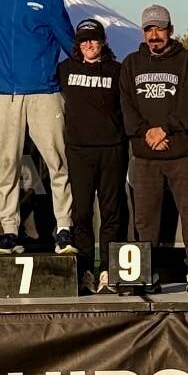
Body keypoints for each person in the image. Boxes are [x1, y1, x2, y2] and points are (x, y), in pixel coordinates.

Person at [0, 0, 75, 254]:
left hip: (44, 92)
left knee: (57, 161)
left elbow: (69, 44)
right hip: (5, 94)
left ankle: (64, 227)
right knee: (7, 164)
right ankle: (9, 229)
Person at [119, 5, 188, 294]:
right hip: (145, 156)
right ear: (143, 33)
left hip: (182, 154)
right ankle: (147, 273)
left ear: (170, 29)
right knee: (145, 221)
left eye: (159, 29)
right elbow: (126, 106)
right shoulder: (131, 63)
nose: (154, 35)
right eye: (149, 30)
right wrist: (147, 132)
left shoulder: (187, 60)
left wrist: (164, 129)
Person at [57, 18, 127, 294]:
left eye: (94, 39)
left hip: (112, 148)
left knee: (111, 212)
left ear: (102, 42)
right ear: (77, 44)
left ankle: (108, 271)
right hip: (79, 149)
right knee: (82, 212)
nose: (89, 44)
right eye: (84, 40)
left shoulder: (117, 70)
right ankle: (85, 269)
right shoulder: (65, 69)